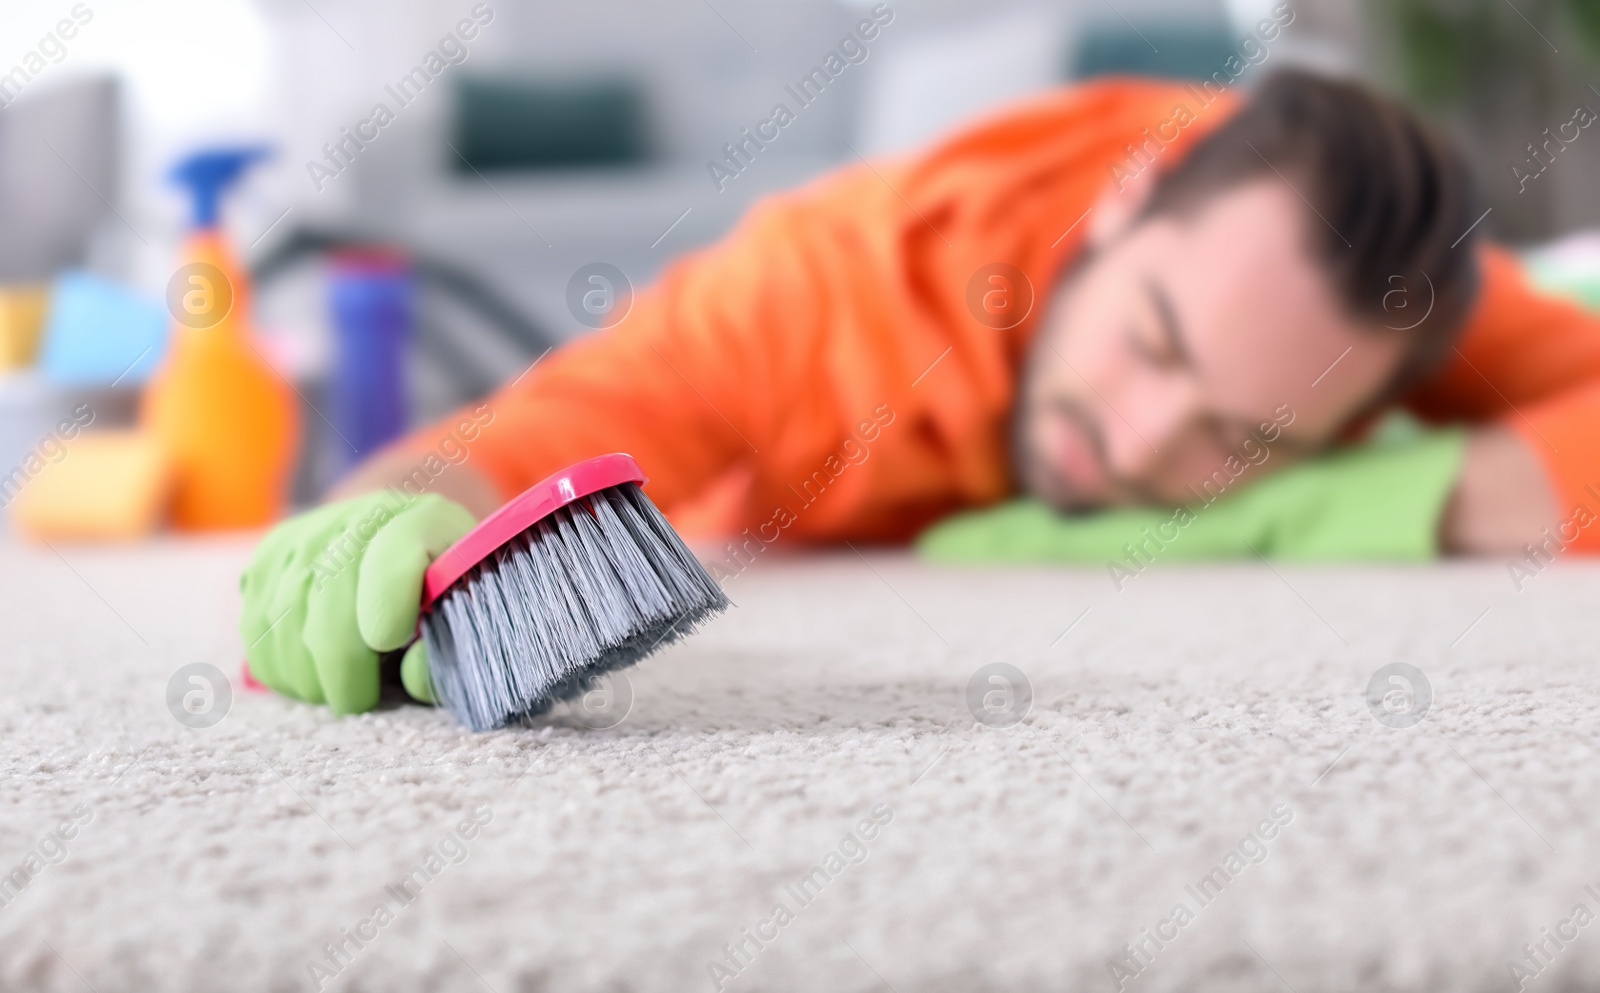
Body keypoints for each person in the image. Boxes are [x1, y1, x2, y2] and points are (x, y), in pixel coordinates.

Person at [239, 69, 1600, 714]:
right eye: (1155, 346)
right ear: (1127, 206)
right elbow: (535, 431)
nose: (1129, 445)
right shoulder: (822, 289)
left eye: (1239, 440)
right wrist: (380, 520)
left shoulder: (1382, 303)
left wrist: (1349, 505)